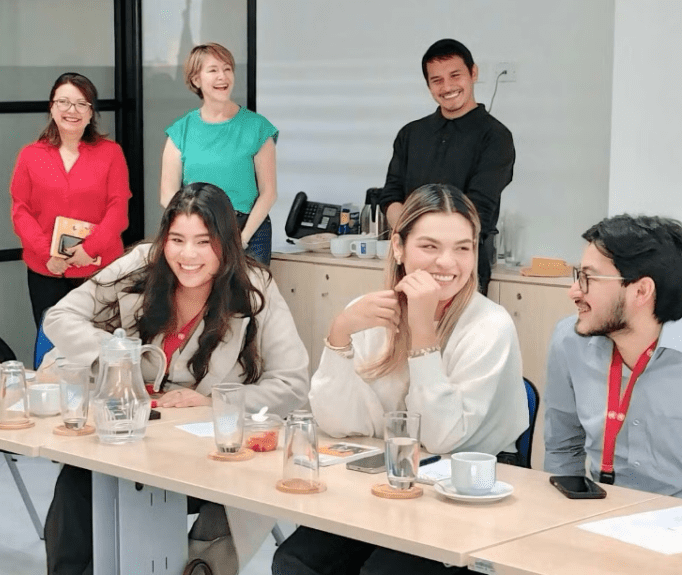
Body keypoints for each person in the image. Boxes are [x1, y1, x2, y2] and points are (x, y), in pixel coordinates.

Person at [44, 182, 309, 575]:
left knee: (193, 515)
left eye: (204, 242)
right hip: (130, 435)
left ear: (227, 244)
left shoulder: (255, 288)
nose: (188, 255)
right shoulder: (139, 265)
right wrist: (122, 359)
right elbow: (60, 317)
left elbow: (291, 383)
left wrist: (214, 403)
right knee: (75, 487)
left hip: (205, 452)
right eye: (177, 240)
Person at [272, 184, 527, 575]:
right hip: (390, 480)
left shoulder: (491, 326)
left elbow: (443, 439)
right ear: (398, 247)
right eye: (429, 247)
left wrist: (422, 334)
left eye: (463, 247)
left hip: (463, 489)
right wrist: (339, 335)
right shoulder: (370, 311)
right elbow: (341, 425)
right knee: (296, 561)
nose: (448, 262)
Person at [545, 214, 682, 497]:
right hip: (598, 509)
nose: (574, 291)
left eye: (588, 279)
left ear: (641, 290)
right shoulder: (570, 340)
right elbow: (563, 448)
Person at [378, 39, 515, 295]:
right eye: (436, 80)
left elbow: (478, 207)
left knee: (460, 334)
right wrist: (411, 242)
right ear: (429, 85)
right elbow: (391, 195)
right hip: (411, 264)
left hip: (462, 266)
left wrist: (428, 240)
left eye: (455, 75)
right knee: (407, 333)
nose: (447, 86)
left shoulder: (495, 136)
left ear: (473, 73)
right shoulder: (410, 134)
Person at [10, 72, 130, 329]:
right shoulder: (31, 155)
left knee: (100, 345)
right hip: (46, 271)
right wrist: (46, 254)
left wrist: (89, 249)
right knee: (51, 346)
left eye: (81, 104)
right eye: (63, 102)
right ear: (51, 107)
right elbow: (21, 211)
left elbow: (118, 209)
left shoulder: (111, 153)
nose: (71, 110)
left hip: (99, 271)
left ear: (91, 113)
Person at [160, 43, 278, 265]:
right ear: (196, 80)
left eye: (227, 69)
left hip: (248, 231)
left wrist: (241, 240)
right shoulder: (180, 131)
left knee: (248, 297)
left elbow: (269, 193)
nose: (222, 77)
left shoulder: (258, 128)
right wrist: (193, 233)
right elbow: (168, 194)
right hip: (197, 229)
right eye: (213, 70)